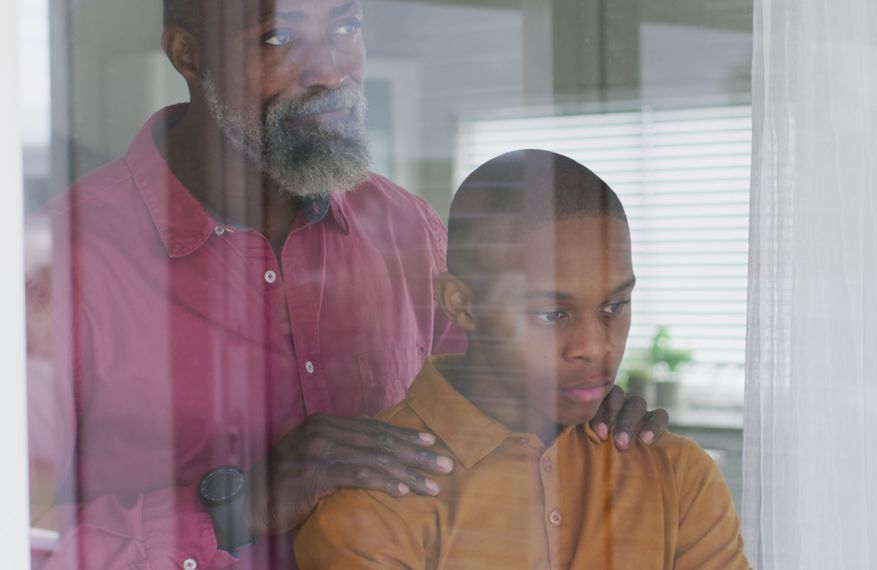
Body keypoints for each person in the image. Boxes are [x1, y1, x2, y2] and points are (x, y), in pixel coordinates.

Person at [26, 1, 669, 568]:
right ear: (188, 55)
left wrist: (570, 409)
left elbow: (489, 414)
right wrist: (234, 509)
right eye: (277, 38)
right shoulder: (55, 268)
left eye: (347, 26)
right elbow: (20, 543)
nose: (330, 71)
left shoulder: (408, 230)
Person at [294, 150, 749, 569]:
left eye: (615, 307)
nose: (594, 347)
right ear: (461, 303)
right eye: (552, 314)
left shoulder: (676, 474)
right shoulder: (370, 507)